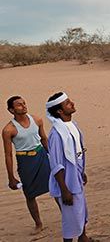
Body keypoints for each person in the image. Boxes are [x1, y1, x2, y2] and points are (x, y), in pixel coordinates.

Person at [46, 92, 93, 241]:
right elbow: (57, 164)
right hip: (67, 182)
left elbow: (77, 152)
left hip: (76, 177)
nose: (72, 103)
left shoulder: (73, 126)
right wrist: (64, 190)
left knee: (80, 212)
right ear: (59, 111)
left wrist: (82, 171)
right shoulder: (56, 134)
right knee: (70, 219)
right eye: (67, 103)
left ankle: (83, 238)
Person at [2, 96, 51, 235]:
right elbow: (8, 154)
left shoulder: (37, 120)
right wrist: (11, 177)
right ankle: (38, 223)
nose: (23, 106)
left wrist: (53, 158)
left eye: (24, 103)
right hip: (25, 161)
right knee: (29, 194)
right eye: (19, 105)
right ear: (11, 110)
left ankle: (65, 215)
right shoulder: (8, 130)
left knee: (56, 187)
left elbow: (44, 139)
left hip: (41, 156)